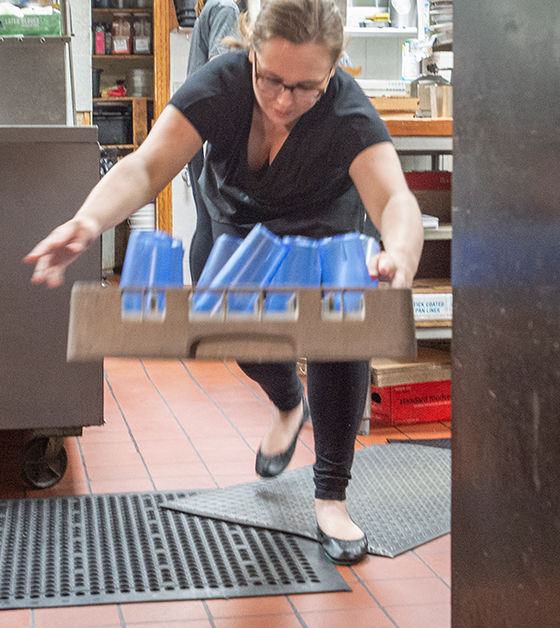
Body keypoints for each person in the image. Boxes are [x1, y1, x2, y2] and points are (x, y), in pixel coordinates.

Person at [24, 0, 423, 565]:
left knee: (340, 339)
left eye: (306, 86)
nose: (285, 101)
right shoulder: (222, 86)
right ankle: (289, 403)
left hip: (322, 229)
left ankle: (331, 497)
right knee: (232, 334)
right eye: (272, 79)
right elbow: (145, 167)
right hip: (232, 223)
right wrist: (87, 223)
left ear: (333, 69)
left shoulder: (348, 115)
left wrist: (401, 254)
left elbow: (394, 200)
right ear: (251, 51)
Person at [185, 0, 244, 281]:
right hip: (212, 132)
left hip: (198, 130)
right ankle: (210, 304)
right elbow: (221, 68)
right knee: (216, 227)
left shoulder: (214, 6)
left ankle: (201, 301)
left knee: (205, 223)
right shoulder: (226, 8)